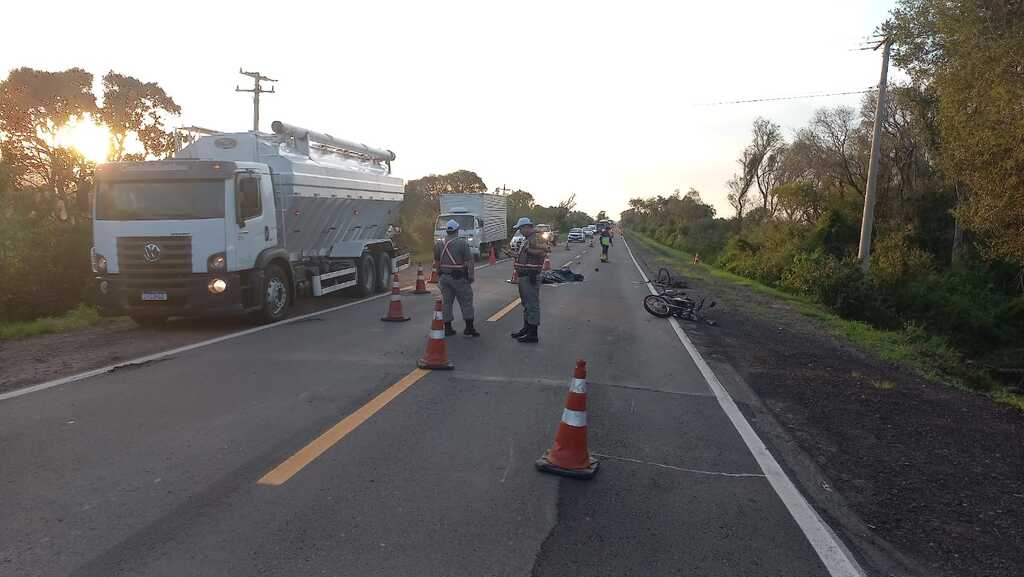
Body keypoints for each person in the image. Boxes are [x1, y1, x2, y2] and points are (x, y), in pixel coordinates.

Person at [434, 219, 479, 337]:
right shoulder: (462, 243)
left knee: (447, 303)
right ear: (457, 230)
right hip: (459, 278)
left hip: (444, 277)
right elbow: (469, 261)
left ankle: (448, 328)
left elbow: (437, 262)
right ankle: (469, 328)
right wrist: (471, 276)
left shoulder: (439, 244)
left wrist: (440, 274)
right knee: (466, 302)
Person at [510, 216, 547, 343]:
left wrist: (528, 250)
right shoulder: (528, 239)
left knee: (532, 305)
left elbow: (543, 252)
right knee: (526, 304)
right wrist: (514, 255)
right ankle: (526, 329)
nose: (520, 231)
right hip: (524, 276)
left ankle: (533, 333)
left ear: (527, 227)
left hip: (531, 276)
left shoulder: (536, 237)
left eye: (521, 228)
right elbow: (527, 255)